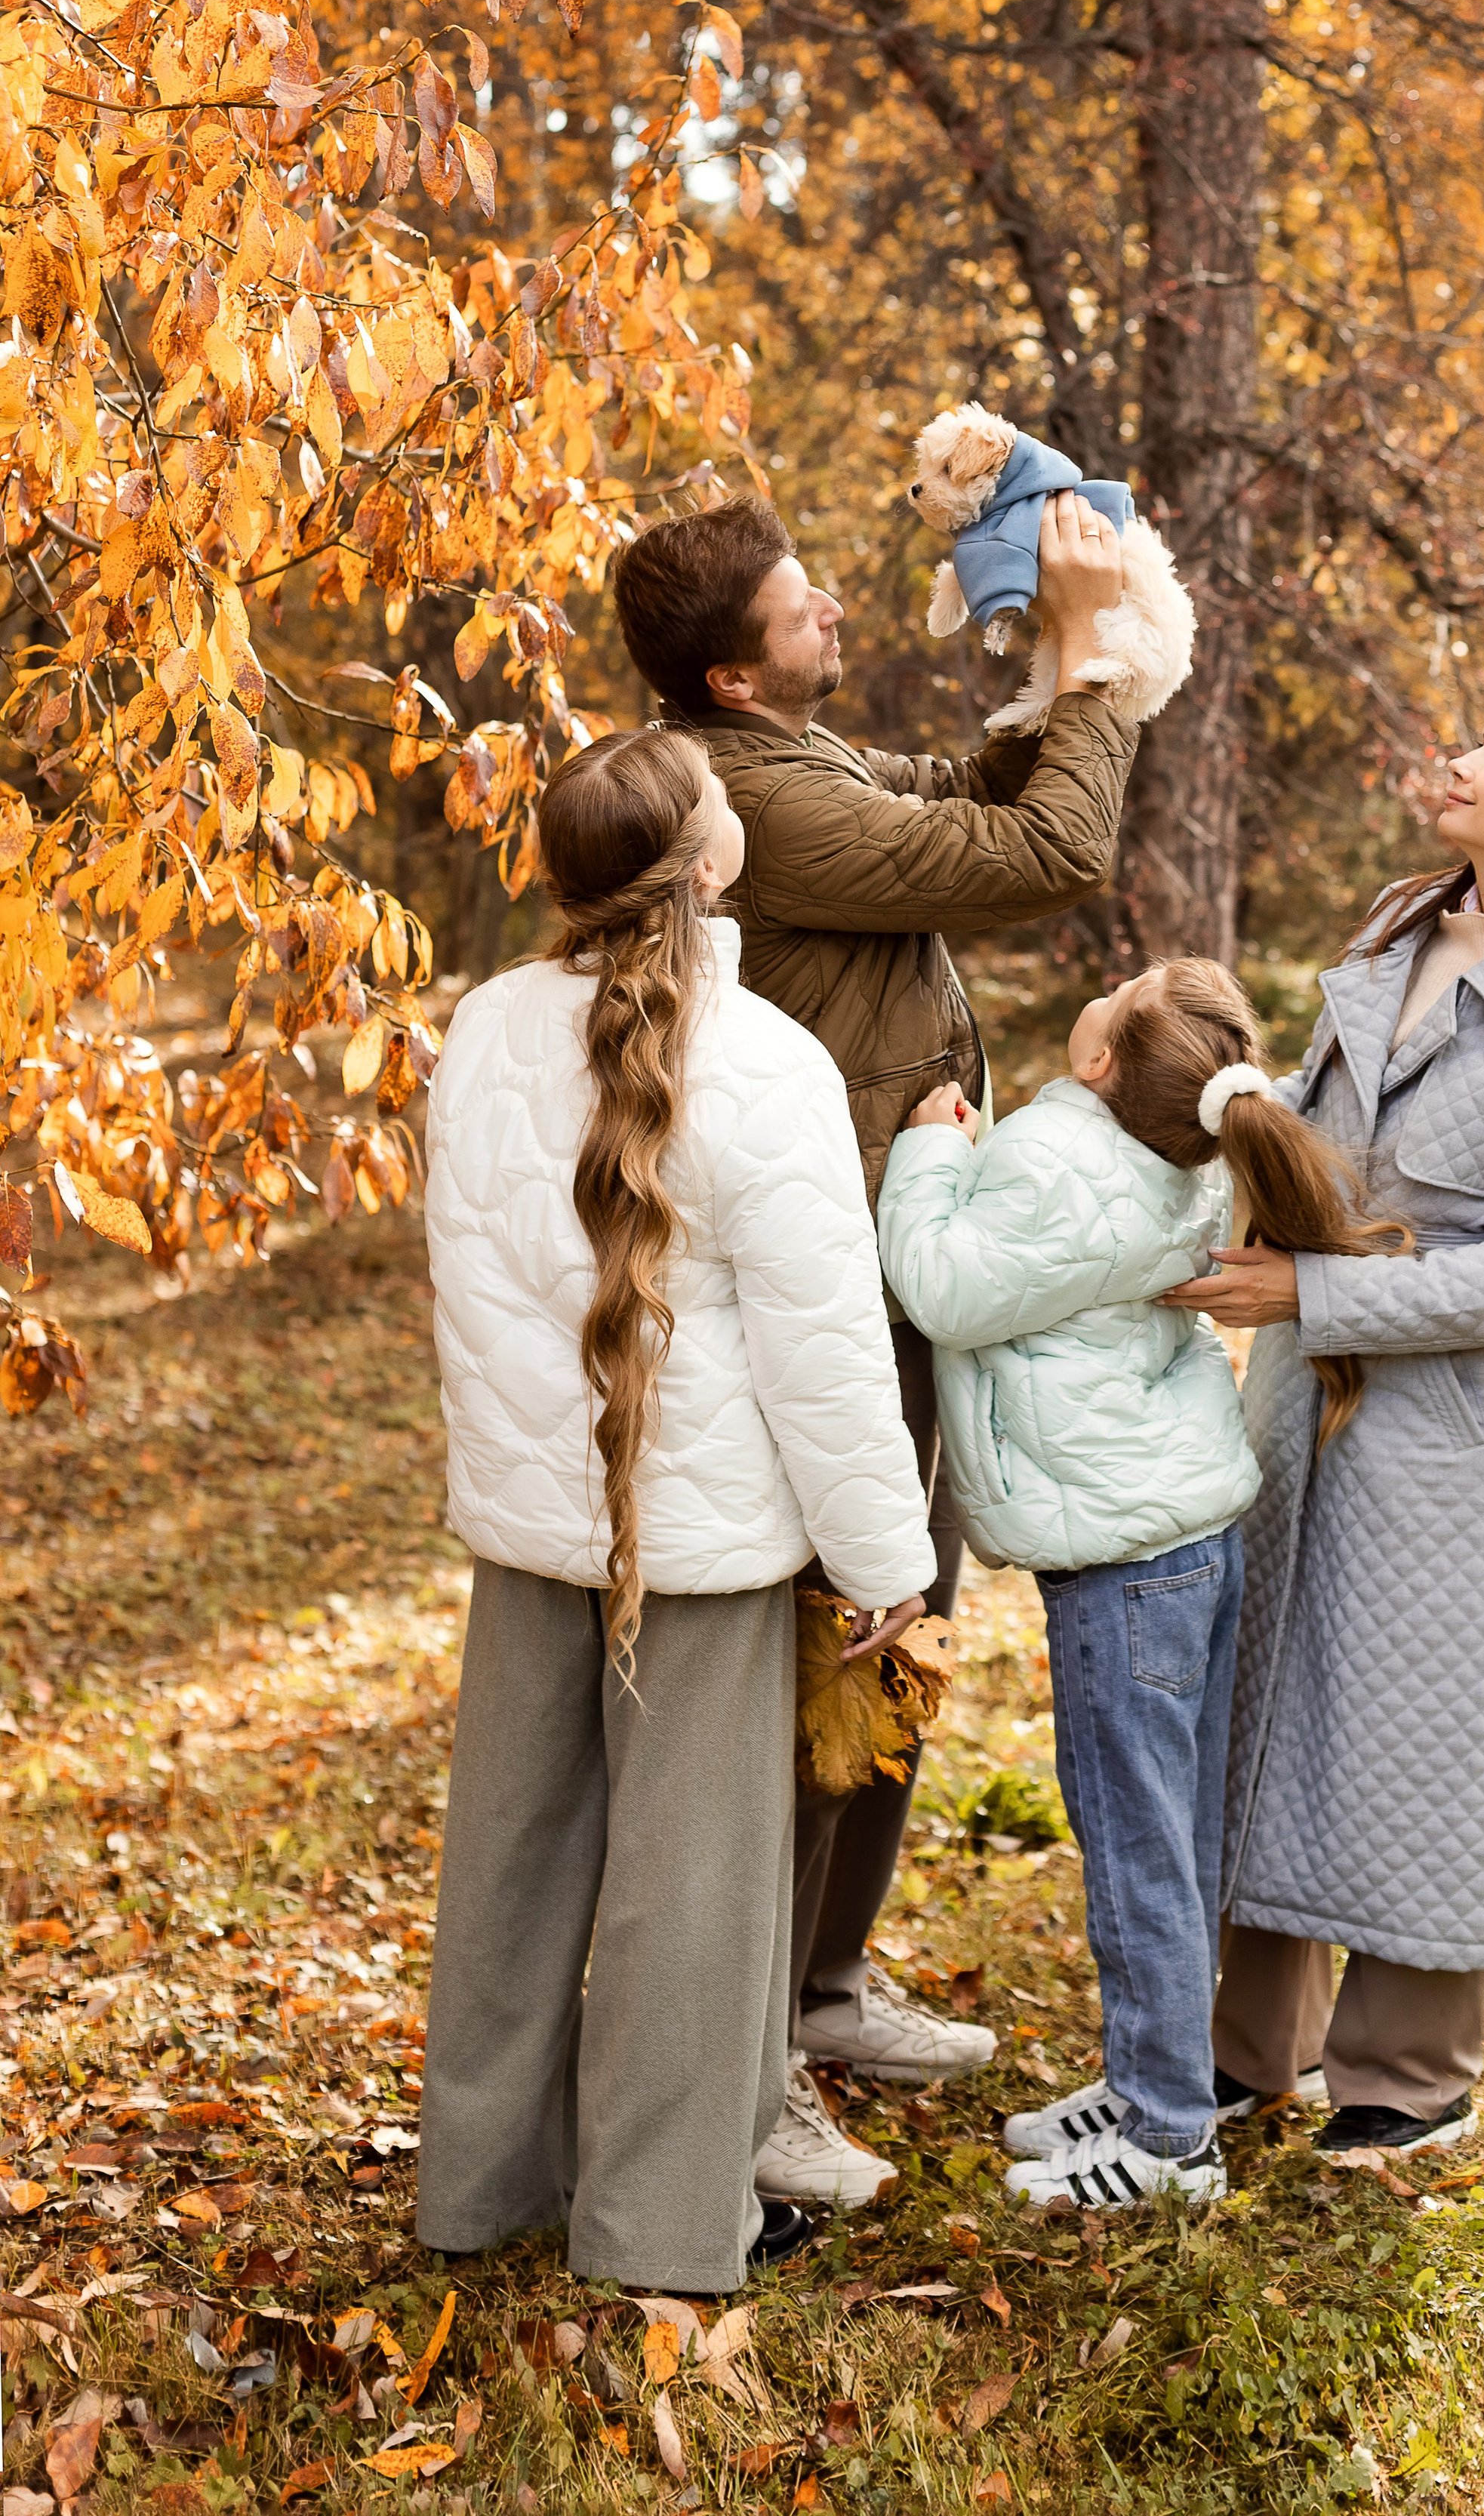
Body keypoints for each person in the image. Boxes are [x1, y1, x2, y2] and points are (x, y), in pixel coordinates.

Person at [609, 489, 1139, 2202]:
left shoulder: (797, 758)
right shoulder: (746, 796)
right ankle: (751, 2041)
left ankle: (826, 1988)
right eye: (797, 603)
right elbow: (1042, 855)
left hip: (892, 1258)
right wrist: (1102, 676)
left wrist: (1049, 665)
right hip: (827, 1276)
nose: (832, 605)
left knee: (898, 1621)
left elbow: (957, 799)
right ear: (731, 675)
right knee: (844, 1636)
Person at [414, 730, 936, 2291]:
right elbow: (825, 1350)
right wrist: (887, 1559)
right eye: (721, 808)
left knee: (508, 1860)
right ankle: (654, 2225)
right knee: (692, 1888)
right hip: (703, 1552)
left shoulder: (482, 1028)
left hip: (532, 1526)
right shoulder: (765, 1060)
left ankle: (479, 2185)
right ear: (707, 863)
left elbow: (471, 1290)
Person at [1162, 688, 1484, 2153]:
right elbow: (1312, 1106)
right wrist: (1192, 1112)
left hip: (1454, 1417)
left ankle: (1407, 2072)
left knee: (1419, 1723)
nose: (1456, 764)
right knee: (1267, 1684)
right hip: (1300, 1394)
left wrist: (1313, 1297)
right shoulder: (1401, 921)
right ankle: (1243, 2039)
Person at [877, 958, 1402, 2207]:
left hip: (1124, 1562)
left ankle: (1169, 2136)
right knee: (1175, 1830)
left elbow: (943, 1284)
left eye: (1117, 996)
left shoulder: (1060, 1161)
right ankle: (1154, 2072)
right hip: (1183, 1534)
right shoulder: (1181, 1157)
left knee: (1137, 1847)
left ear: (1101, 1064)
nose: (1104, 983)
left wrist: (931, 1156)